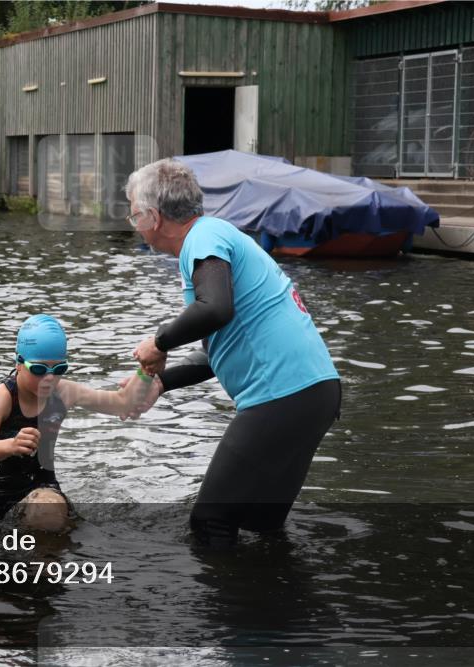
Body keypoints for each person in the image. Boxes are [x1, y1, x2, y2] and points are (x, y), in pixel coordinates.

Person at [124, 158, 341, 548]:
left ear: (153, 217)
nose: (131, 220)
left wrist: (158, 343)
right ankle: (276, 605)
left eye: (133, 211)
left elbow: (214, 309)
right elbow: (222, 346)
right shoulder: (217, 238)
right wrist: (161, 382)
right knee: (261, 522)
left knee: (211, 521)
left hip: (282, 396)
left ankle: (222, 610)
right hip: (314, 393)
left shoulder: (204, 239)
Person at [0, 314, 139, 532]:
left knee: (49, 515)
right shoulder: (3, 397)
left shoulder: (64, 392)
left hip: (44, 491)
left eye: (58, 369)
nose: (49, 378)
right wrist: (10, 445)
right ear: (19, 363)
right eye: (39, 369)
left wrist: (147, 370)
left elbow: (122, 404)